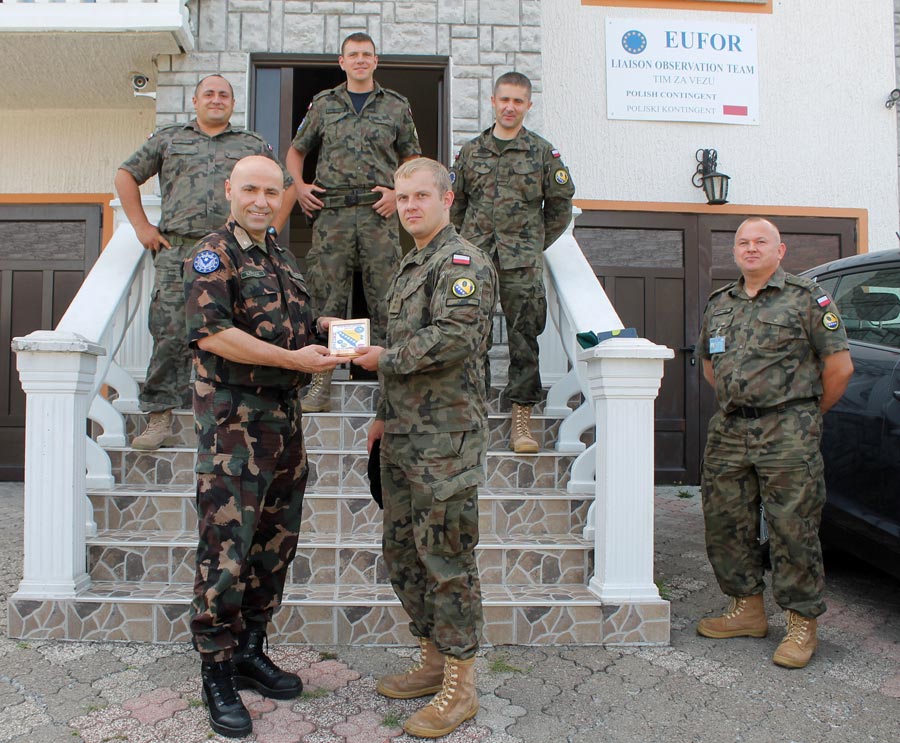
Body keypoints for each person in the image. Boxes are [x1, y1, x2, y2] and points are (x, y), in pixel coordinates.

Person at [183, 155, 340, 738]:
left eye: (271, 191)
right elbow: (214, 333)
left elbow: (284, 326)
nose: (260, 199)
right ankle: (216, 669)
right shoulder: (212, 254)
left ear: (282, 198)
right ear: (230, 190)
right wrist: (292, 359)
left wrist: (322, 329)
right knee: (227, 545)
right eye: (250, 188)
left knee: (274, 541)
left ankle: (250, 648)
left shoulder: (279, 255)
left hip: (283, 422)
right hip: (234, 426)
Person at [353, 158, 497, 739]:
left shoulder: (462, 262)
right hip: (405, 435)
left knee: (446, 559)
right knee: (404, 553)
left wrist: (383, 359)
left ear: (447, 199)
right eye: (403, 197)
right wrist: (383, 416)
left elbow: (456, 337)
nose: (410, 205)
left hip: (446, 441)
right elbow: (402, 342)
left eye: (421, 196)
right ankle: (432, 657)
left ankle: (461, 685)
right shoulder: (410, 264)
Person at [696, 217, 854, 669]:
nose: (750, 248)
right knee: (725, 521)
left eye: (760, 242)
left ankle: (801, 622)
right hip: (729, 430)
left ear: (780, 251)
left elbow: (839, 368)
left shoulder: (807, 298)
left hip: (788, 431)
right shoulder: (719, 303)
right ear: (735, 251)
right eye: (743, 242)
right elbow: (711, 366)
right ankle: (745, 609)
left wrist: (803, 415)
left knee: (792, 527)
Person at [116, 74, 295, 450]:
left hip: (236, 251)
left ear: (233, 103)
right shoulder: (169, 139)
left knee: (242, 327)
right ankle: (160, 413)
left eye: (224, 95)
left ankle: (238, 408)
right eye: (209, 94)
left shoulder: (251, 145)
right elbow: (126, 175)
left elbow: (287, 185)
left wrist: (269, 232)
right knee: (169, 329)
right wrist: (141, 227)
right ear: (195, 101)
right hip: (179, 250)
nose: (217, 100)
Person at [285, 31, 421, 413]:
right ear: (342, 62)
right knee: (329, 297)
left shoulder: (395, 106)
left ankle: (388, 381)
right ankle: (322, 379)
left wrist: (399, 194)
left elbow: (412, 158)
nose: (360, 60)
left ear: (376, 61)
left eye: (367, 54)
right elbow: (296, 152)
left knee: (386, 297)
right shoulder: (324, 104)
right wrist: (298, 187)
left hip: (378, 214)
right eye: (353, 55)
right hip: (333, 214)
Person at [450, 71, 574, 453]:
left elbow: (559, 206)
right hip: (477, 261)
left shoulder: (542, 152)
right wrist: (465, 246)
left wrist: (533, 243)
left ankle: (522, 419)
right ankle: (472, 413)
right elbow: (455, 204)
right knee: (471, 336)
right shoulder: (471, 152)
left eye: (518, 101)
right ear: (492, 100)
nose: (510, 107)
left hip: (521, 263)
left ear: (528, 105)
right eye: (504, 99)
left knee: (525, 340)